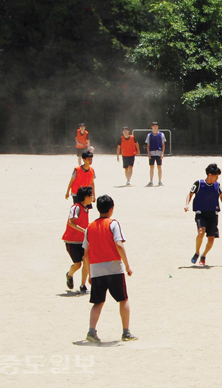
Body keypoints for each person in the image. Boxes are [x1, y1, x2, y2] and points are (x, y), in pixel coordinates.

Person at [83, 195, 137, 342]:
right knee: (123, 299)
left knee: (98, 302)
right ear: (111, 209)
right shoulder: (113, 224)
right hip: (113, 268)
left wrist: (89, 273)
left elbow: (86, 254)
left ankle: (91, 331)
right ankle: (126, 332)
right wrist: (127, 265)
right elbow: (119, 244)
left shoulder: (89, 227)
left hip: (96, 269)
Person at [184, 163, 222, 266]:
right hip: (201, 213)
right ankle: (197, 252)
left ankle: (204, 255)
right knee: (201, 232)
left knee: (211, 238)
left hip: (213, 214)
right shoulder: (198, 184)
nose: (217, 178)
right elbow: (190, 194)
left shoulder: (217, 185)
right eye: (216, 176)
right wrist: (187, 205)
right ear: (210, 175)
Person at [62, 186, 92, 294]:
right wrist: (84, 231)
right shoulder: (76, 207)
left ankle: (83, 285)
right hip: (72, 241)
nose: (92, 197)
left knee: (86, 260)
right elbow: (71, 222)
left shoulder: (86, 209)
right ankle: (69, 274)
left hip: (82, 240)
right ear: (86, 197)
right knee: (77, 264)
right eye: (91, 195)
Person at [145, 122, 166, 187]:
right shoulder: (149, 135)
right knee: (151, 167)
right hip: (152, 153)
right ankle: (151, 181)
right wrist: (148, 153)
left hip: (159, 153)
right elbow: (148, 145)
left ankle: (160, 181)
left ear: (158, 127)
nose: (155, 127)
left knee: (159, 167)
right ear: (151, 127)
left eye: (156, 126)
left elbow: (163, 144)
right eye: (153, 126)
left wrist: (162, 153)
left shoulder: (161, 134)